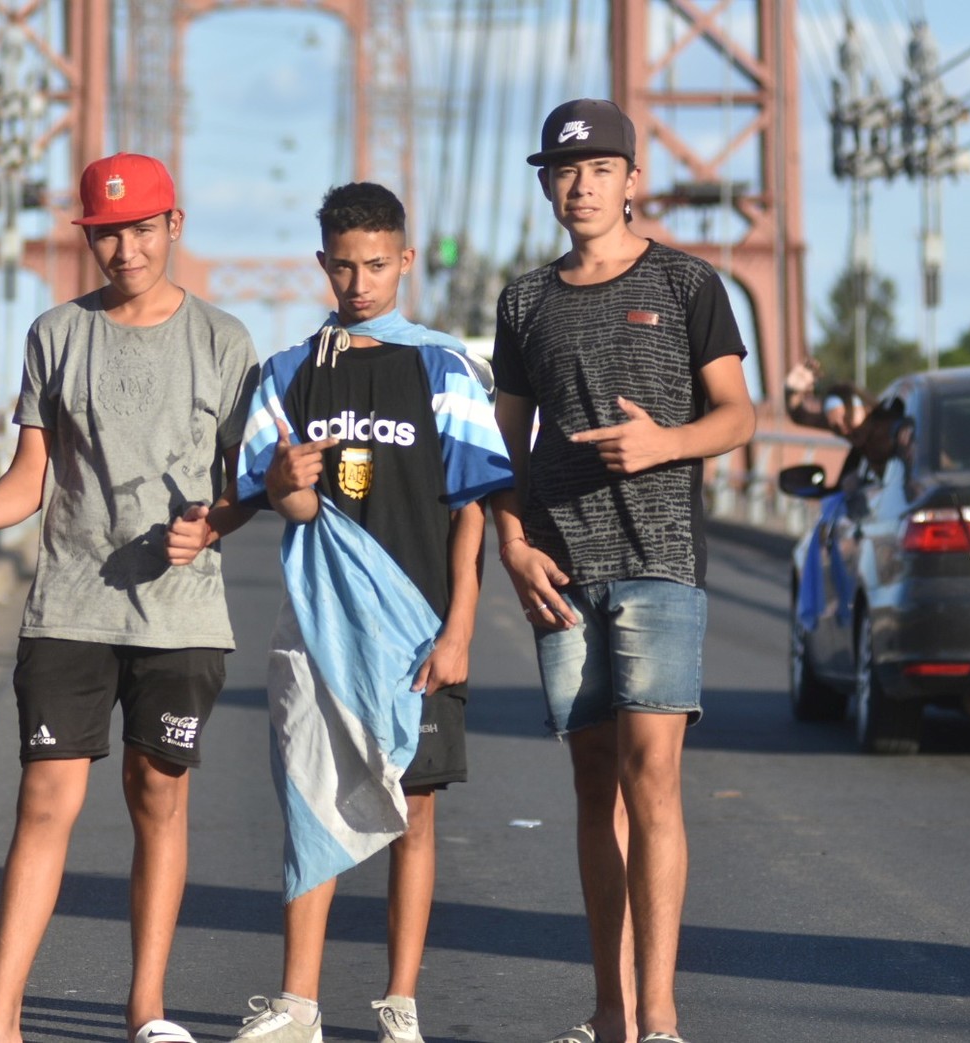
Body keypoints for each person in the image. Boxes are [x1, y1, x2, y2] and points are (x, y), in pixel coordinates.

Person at [0, 152, 259, 1043]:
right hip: (69, 604)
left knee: (157, 796)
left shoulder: (225, 341)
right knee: (43, 802)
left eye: (141, 229)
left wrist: (212, 524)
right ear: (89, 237)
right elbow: (31, 476)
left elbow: (247, 483)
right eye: (107, 233)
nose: (124, 249)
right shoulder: (55, 334)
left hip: (181, 613)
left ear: (173, 227)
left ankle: (147, 1013)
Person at [489, 99, 756, 1043]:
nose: (580, 184)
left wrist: (662, 445)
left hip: (658, 560)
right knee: (591, 783)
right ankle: (608, 1012)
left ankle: (660, 1018)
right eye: (563, 170)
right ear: (546, 183)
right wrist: (512, 544)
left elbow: (738, 415)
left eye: (600, 167)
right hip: (561, 569)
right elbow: (504, 446)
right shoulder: (522, 299)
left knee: (653, 777)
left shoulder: (689, 283)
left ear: (632, 179)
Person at [228, 182, 512, 1043]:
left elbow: (473, 510)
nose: (360, 282)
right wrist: (284, 487)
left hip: (419, 623)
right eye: (344, 266)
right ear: (322, 263)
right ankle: (298, 1005)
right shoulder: (284, 374)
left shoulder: (447, 367)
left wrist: (460, 628)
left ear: (406, 260)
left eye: (377, 265)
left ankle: (399, 1006)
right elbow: (282, 502)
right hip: (318, 622)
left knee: (414, 813)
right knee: (311, 798)